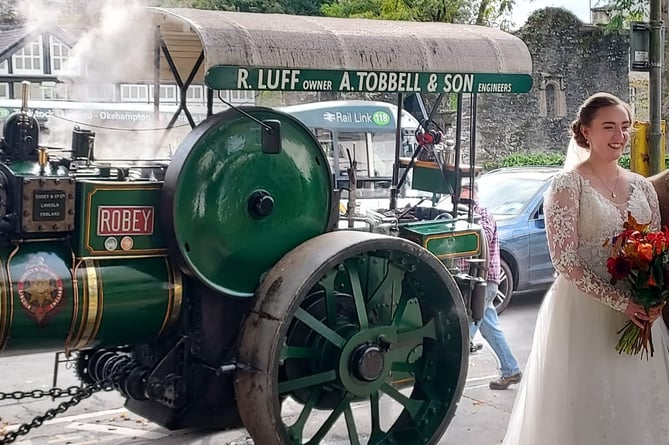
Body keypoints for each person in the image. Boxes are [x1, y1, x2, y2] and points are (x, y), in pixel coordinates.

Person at [502, 92, 669, 445]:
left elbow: (656, 249)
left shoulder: (642, 186)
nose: (619, 136)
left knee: (638, 404)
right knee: (586, 409)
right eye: (609, 127)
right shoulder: (568, 184)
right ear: (585, 132)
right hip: (584, 312)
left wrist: (653, 295)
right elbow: (565, 261)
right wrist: (620, 302)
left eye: (624, 127)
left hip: (638, 312)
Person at [458, 179, 522, 390]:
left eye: (464, 194)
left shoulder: (482, 214)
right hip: (474, 281)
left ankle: (450, 385)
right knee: (490, 328)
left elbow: (480, 238)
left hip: (482, 281)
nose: (461, 198)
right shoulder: (462, 214)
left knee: (462, 333)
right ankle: (511, 370)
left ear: (472, 194)